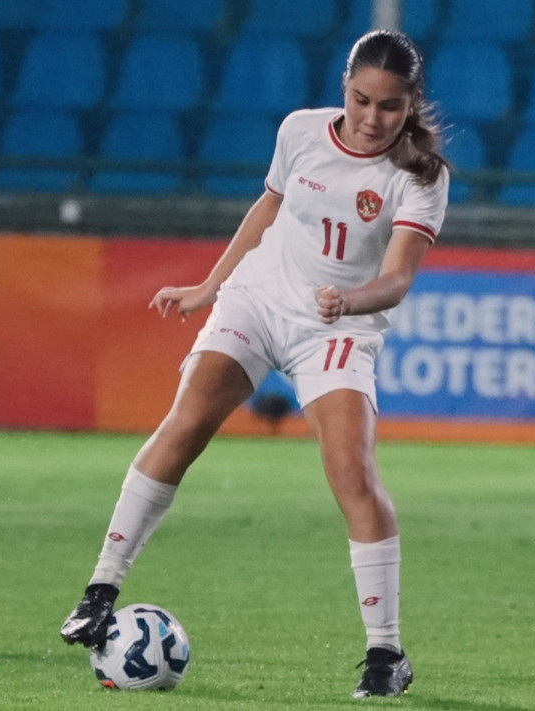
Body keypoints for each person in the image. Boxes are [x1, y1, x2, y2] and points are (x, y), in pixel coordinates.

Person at [59, 30, 449, 698]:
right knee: (185, 423)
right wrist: (209, 286)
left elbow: (396, 279)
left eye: (388, 106)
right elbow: (267, 207)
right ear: (343, 88)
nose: (369, 118)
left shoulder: (419, 175)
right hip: (259, 297)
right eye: (360, 99)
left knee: (351, 472)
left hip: (337, 327)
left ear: (409, 103)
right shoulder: (299, 131)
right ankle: (100, 590)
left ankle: (385, 653)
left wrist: (347, 300)